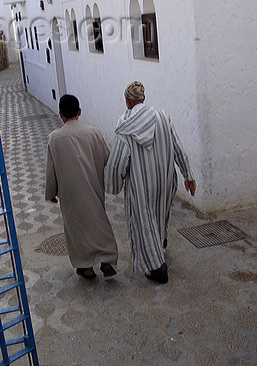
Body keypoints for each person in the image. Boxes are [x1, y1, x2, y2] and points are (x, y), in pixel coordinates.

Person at [105, 81, 196, 284]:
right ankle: (161, 242)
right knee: (160, 213)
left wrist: (112, 185)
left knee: (145, 223)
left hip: (141, 186)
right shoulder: (163, 117)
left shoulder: (125, 126)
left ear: (128, 101)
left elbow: (117, 163)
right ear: (143, 99)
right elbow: (178, 148)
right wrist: (188, 175)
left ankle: (157, 269)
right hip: (165, 181)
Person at [45, 94, 119, 279]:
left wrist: (51, 193)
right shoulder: (94, 132)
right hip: (93, 187)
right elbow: (107, 158)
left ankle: (87, 268)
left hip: (70, 194)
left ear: (60, 114)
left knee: (77, 229)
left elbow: (50, 170)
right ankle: (106, 259)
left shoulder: (54, 138)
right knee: (99, 221)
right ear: (79, 111)